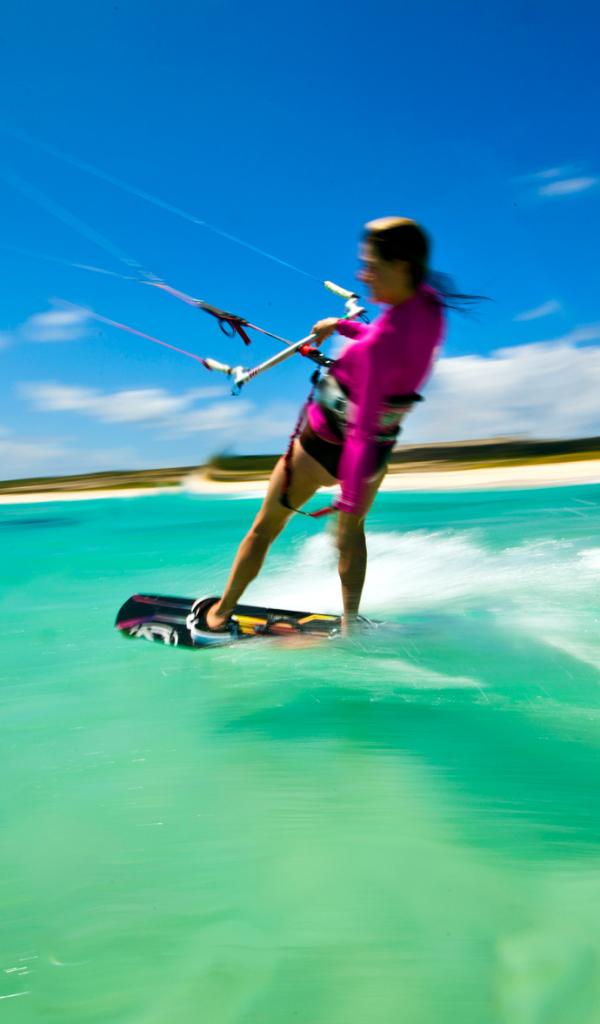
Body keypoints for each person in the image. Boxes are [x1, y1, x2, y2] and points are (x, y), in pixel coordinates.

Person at [195, 217, 446, 635]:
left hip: (323, 448)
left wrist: (347, 502)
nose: (362, 275)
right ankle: (350, 623)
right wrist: (342, 325)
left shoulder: (373, 352)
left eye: (371, 266)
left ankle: (219, 616)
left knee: (265, 528)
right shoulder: (429, 307)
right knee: (353, 534)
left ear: (401, 265)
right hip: (375, 456)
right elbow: (389, 339)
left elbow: (360, 428)